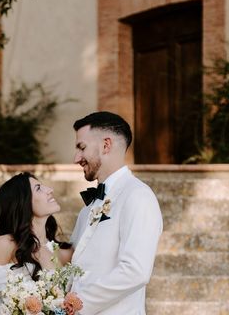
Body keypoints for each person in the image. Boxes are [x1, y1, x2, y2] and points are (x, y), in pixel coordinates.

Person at [69, 111, 162, 315]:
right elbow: (73, 264)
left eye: (81, 148)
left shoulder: (138, 196)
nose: (76, 158)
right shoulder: (86, 210)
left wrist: (76, 305)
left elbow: (135, 271)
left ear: (106, 145)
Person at [0, 172, 73, 315]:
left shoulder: (62, 252)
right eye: (38, 188)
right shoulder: (6, 244)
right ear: (23, 202)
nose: (49, 190)